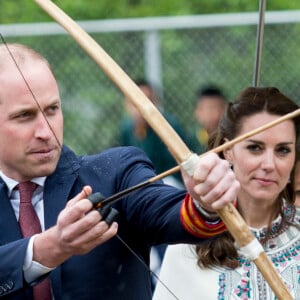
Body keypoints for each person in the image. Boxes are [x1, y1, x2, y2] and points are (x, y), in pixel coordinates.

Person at [0, 43, 240, 300]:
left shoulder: (115, 172)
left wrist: (205, 202)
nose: (46, 132)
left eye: (52, 110)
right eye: (25, 116)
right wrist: (50, 247)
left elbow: (174, 214)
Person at [153, 86, 300, 300]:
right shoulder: (187, 245)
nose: (269, 164)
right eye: (255, 147)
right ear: (228, 150)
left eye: (283, 150)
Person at [119, 79, 188, 187]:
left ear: (155, 103)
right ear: (126, 104)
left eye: (146, 101)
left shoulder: (169, 125)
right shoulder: (126, 129)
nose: (139, 108)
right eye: (134, 103)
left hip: (171, 183)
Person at [191, 85, 227, 154]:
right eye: (210, 109)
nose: (217, 114)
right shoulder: (191, 142)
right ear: (198, 112)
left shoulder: (232, 139)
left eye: (221, 108)